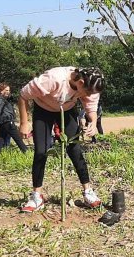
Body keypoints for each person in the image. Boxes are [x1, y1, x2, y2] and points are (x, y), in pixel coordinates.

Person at [17, 66, 105, 213]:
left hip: (68, 109)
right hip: (43, 109)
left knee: (74, 149)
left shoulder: (92, 85)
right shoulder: (53, 79)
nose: (89, 95)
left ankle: (88, 191)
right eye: (88, 92)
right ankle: (37, 196)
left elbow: (91, 106)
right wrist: (24, 123)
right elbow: (23, 96)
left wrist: (93, 123)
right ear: (81, 83)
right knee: (41, 151)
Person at [0, 83, 28, 155]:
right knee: (17, 138)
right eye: (6, 90)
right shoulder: (0, 99)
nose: (8, 92)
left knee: (1, 139)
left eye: (9, 90)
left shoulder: (0, 99)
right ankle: (26, 152)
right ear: (0, 91)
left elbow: (13, 99)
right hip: (6, 121)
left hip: (1, 122)